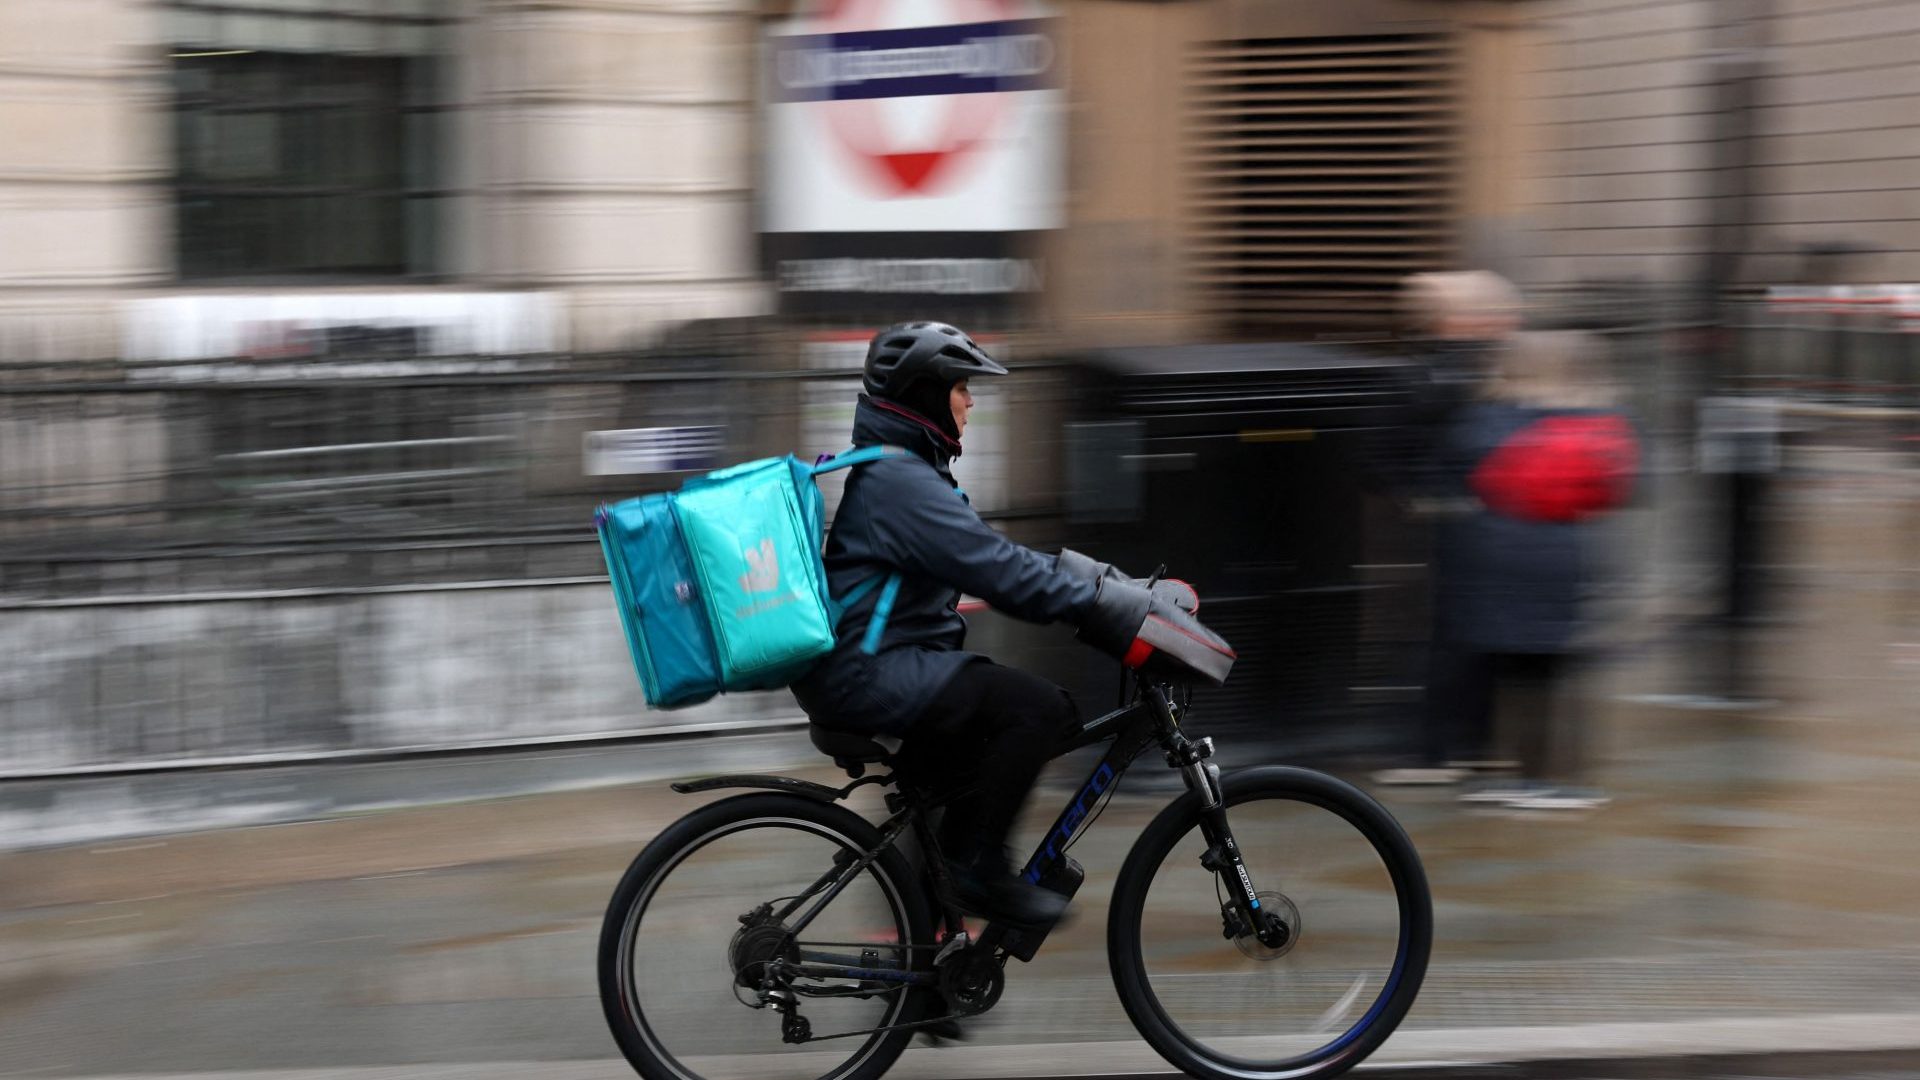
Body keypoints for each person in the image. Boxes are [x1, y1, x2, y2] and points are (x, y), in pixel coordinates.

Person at [791, 321, 1220, 925]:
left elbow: (1005, 559)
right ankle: (980, 872)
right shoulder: (900, 483)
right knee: (1038, 709)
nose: (970, 401)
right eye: (961, 386)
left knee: (954, 790)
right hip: (871, 674)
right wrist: (1113, 611)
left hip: (884, 667)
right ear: (921, 394)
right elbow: (1003, 573)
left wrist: (1124, 588)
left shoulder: (906, 474)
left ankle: (932, 978)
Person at [1431, 330, 1632, 810]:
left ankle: (1524, 776)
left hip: (1501, 550)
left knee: (1513, 670)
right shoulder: (1599, 416)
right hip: (1566, 552)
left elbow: (1454, 464)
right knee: (1554, 666)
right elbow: (1619, 487)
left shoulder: (1492, 415)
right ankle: (1563, 778)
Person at [1369, 271, 1524, 786]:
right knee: (1457, 639)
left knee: (1452, 638)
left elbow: (1384, 463)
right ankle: (1458, 747)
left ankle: (1447, 750)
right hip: (1470, 524)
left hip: (1454, 524)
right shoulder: (1477, 376)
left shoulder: (1433, 374)